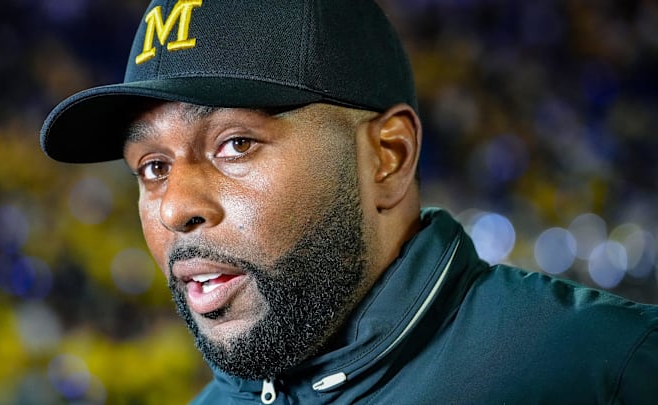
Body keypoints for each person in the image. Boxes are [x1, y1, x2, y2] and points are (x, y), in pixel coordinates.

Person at [40, 0, 658, 403]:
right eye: (152, 167)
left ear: (387, 157)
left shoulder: (609, 369)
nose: (176, 207)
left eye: (234, 144)